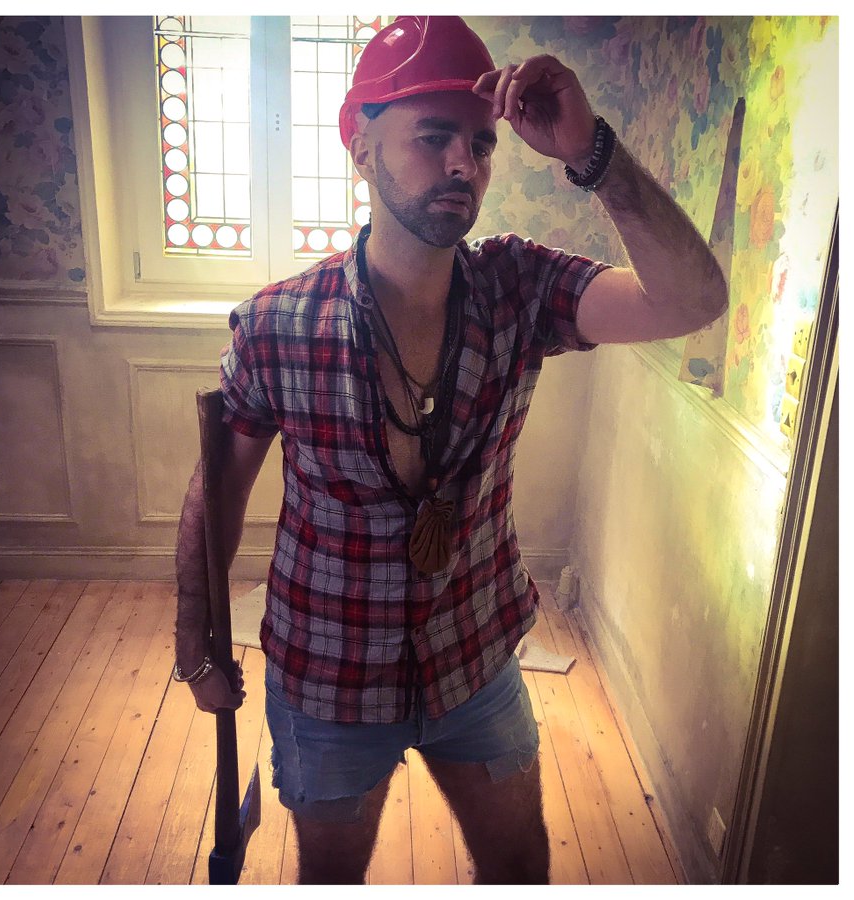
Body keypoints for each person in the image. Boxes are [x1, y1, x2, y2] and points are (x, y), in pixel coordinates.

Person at [174, 16, 727, 885]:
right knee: (330, 878)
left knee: (519, 864)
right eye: (433, 138)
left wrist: (593, 153)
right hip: (329, 672)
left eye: (481, 143)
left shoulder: (520, 286)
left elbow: (692, 301)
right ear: (361, 147)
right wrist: (196, 647)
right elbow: (215, 495)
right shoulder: (278, 324)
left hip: (475, 658)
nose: (464, 163)